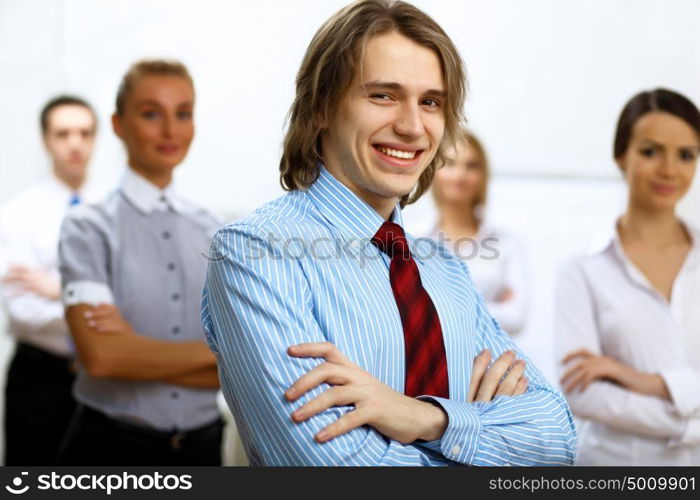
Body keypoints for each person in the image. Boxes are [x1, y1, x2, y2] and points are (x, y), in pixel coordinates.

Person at [202, 0, 575, 466]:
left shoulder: (446, 270)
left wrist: (427, 419)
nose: (412, 126)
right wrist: (482, 438)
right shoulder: (255, 252)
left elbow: (557, 439)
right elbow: (333, 466)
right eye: (383, 95)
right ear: (320, 107)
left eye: (431, 102)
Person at [57, 60, 223, 465]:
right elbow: (102, 357)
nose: (170, 130)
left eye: (183, 113)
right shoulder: (87, 226)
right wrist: (216, 352)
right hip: (110, 449)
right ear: (118, 124)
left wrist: (136, 351)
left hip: (202, 447)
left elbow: (243, 368)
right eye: (151, 113)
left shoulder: (218, 233)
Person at [556, 88, 700, 465]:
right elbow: (583, 393)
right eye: (651, 151)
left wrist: (639, 380)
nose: (670, 169)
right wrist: (690, 420)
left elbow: (612, 391)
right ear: (621, 156)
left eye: (686, 155)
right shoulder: (581, 267)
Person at [0, 95, 103, 465]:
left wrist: (56, 289)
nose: (74, 143)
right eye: (63, 133)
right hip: (40, 379)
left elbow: (138, 301)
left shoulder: (115, 211)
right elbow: (24, 310)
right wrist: (101, 306)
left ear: (96, 139)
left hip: (105, 375)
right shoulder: (16, 215)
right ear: (46, 140)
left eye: (84, 133)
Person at [427, 129, 529, 335]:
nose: (460, 175)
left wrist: (436, 307)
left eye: (471, 166)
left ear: (483, 175)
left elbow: (515, 318)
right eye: (450, 164)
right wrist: (487, 305)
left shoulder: (506, 242)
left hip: (491, 362)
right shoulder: (411, 238)